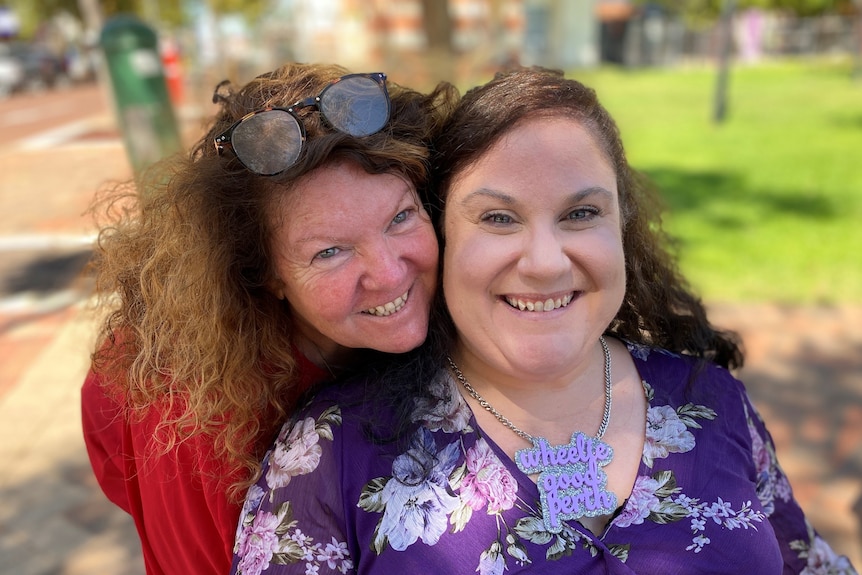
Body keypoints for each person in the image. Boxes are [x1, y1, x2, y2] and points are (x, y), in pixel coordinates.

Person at [228, 67, 857, 574]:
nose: (546, 262)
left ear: (622, 227)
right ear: (442, 233)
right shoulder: (333, 452)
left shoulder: (714, 401)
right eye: (498, 219)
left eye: (581, 213)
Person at [81, 62, 457, 575]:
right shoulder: (222, 429)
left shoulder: (135, 346)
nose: (389, 275)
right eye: (330, 252)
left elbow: (109, 465)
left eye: (401, 217)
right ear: (265, 274)